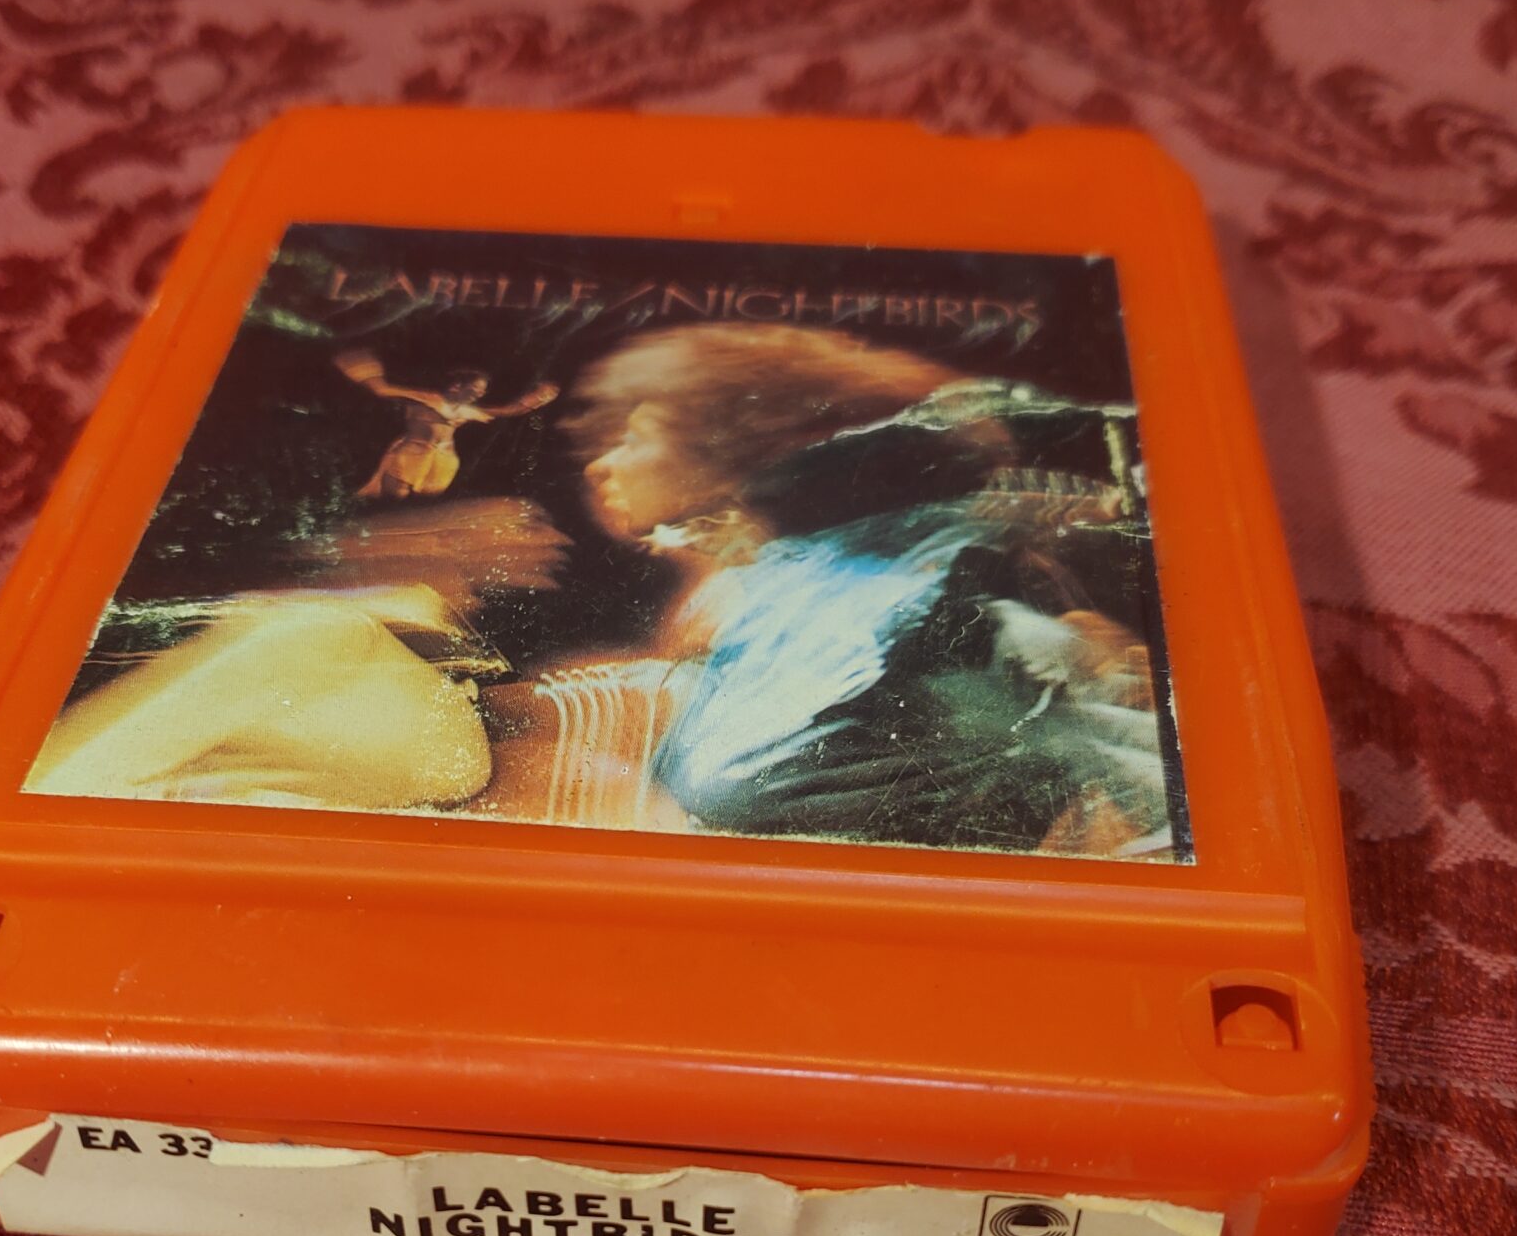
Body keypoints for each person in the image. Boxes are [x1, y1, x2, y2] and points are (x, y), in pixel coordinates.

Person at [557, 321, 1174, 855]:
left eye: (636, 438)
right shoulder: (777, 587)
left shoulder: (881, 603)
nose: (603, 465)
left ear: (720, 446)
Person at [336, 351, 558, 500]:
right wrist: (364, 370)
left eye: (482, 391)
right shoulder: (425, 399)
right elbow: (383, 390)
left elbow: (508, 410)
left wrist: (537, 398)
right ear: (456, 386)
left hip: (443, 460)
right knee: (395, 497)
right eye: (476, 389)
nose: (479, 394)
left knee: (424, 502)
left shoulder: (466, 410)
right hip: (412, 454)